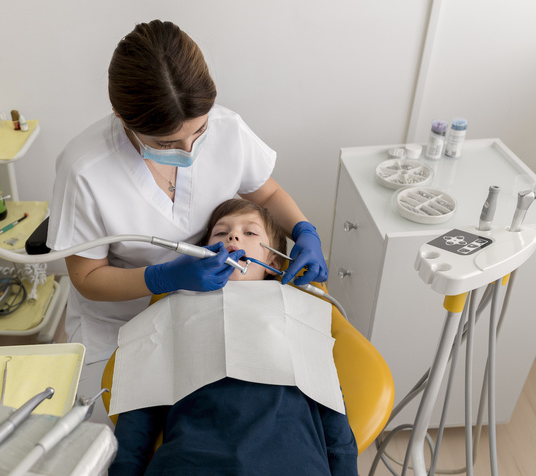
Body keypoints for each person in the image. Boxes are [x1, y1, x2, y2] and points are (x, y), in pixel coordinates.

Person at [46, 20, 328, 425]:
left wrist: (305, 230)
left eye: (199, 131)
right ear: (121, 116)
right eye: (165, 143)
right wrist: (163, 278)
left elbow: (265, 193)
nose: (189, 150)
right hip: (123, 324)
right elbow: (87, 277)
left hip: (208, 311)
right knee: (118, 435)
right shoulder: (85, 169)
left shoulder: (228, 128)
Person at [108, 199, 357, 476]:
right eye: (220, 233)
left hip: (289, 455)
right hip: (190, 458)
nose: (233, 236)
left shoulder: (296, 307)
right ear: (201, 253)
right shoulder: (173, 306)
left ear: (273, 261)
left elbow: (331, 403)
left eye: (250, 233)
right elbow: (140, 406)